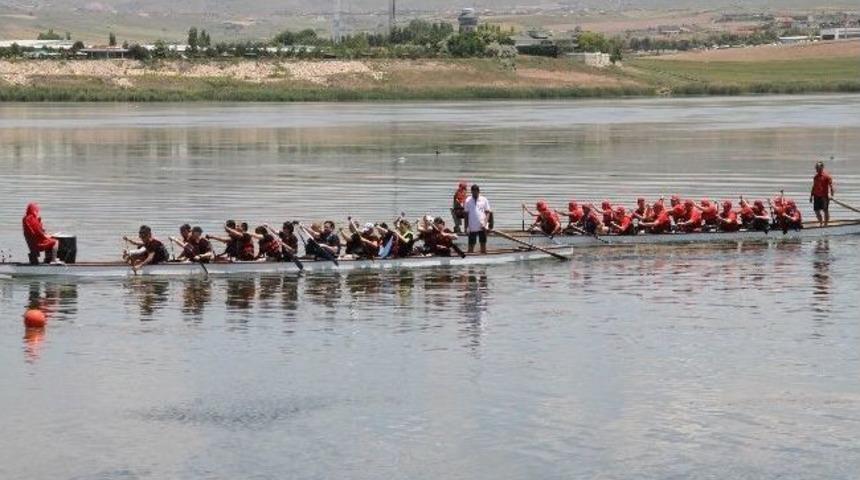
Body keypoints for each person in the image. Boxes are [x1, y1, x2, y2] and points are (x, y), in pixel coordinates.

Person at [464, 184, 492, 254]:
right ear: (471, 192)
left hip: (482, 227)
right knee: (471, 246)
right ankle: (470, 258)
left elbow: (488, 212)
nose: (474, 194)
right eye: (473, 193)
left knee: (483, 245)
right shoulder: (468, 200)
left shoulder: (484, 199)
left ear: (479, 191)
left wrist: (485, 224)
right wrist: (466, 227)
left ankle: (483, 256)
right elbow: (466, 215)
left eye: (476, 192)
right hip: (472, 227)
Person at [810, 161, 835, 227]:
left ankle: (826, 224)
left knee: (825, 210)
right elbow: (814, 186)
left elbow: (831, 186)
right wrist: (811, 196)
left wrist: (831, 194)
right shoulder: (815, 177)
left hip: (824, 196)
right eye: (816, 168)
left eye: (818, 167)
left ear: (822, 168)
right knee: (816, 211)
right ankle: (821, 223)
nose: (817, 169)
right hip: (816, 196)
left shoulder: (827, 176)